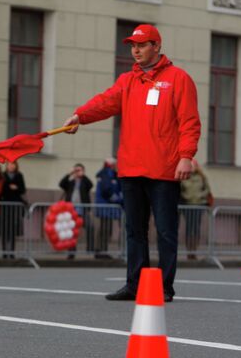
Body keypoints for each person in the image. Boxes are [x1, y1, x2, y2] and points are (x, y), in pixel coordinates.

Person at [61, 24, 200, 302]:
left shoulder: (178, 79)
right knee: (135, 231)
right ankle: (134, 285)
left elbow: (189, 122)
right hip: (131, 168)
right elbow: (105, 102)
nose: (135, 50)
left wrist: (186, 156)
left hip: (163, 169)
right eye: (133, 45)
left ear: (157, 46)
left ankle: (164, 287)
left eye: (142, 44)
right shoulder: (127, 81)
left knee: (165, 231)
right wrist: (80, 116)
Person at [58, 163, 94, 259]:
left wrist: (83, 176)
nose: (77, 172)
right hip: (71, 209)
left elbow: (91, 185)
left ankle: (90, 249)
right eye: (76, 170)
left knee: (90, 227)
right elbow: (61, 184)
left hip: (83, 209)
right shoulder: (71, 182)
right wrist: (69, 174)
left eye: (79, 170)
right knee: (71, 231)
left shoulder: (85, 182)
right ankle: (71, 252)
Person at [180, 162, 212, 260]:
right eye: (190, 166)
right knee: (189, 229)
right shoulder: (184, 177)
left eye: (194, 166)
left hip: (199, 205)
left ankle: (194, 251)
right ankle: (189, 252)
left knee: (196, 228)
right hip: (187, 205)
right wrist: (186, 196)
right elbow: (180, 190)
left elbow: (207, 189)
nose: (192, 167)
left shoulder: (201, 177)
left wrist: (201, 195)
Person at [94, 158, 123, 259]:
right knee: (105, 229)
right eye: (115, 164)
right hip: (105, 206)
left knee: (105, 229)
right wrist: (119, 199)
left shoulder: (111, 174)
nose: (117, 165)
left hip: (107, 207)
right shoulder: (106, 174)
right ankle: (100, 251)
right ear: (111, 165)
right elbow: (107, 190)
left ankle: (101, 250)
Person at [0, 161, 26, 258]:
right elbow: (0, 189)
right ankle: (4, 252)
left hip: (15, 205)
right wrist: (8, 188)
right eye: (9, 164)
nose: (11, 166)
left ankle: (12, 252)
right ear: (6, 166)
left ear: (16, 166)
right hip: (4, 205)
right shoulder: (2, 175)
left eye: (13, 165)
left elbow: (23, 190)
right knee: (4, 230)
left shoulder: (19, 175)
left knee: (13, 230)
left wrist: (16, 188)